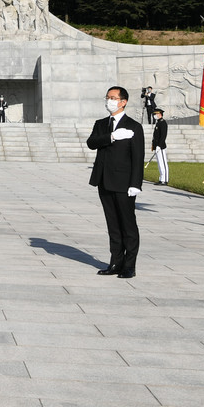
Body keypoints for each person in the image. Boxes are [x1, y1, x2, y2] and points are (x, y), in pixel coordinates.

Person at [87, 86, 144, 279]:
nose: (109, 101)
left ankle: (130, 265)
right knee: (113, 225)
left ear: (123, 102)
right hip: (104, 181)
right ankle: (115, 262)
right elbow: (91, 143)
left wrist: (135, 184)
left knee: (127, 225)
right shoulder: (101, 124)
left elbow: (137, 158)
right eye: (107, 97)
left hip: (124, 183)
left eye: (113, 98)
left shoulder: (134, 126)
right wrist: (111, 136)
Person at [150, 108, 169, 185]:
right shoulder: (158, 123)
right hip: (157, 146)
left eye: (156, 114)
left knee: (163, 163)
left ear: (160, 114)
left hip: (161, 147)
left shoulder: (163, 123)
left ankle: (165, 179)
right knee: (160, 163)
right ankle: (161, 179)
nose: (154, 116)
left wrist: (159, 145)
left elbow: (163, 136)